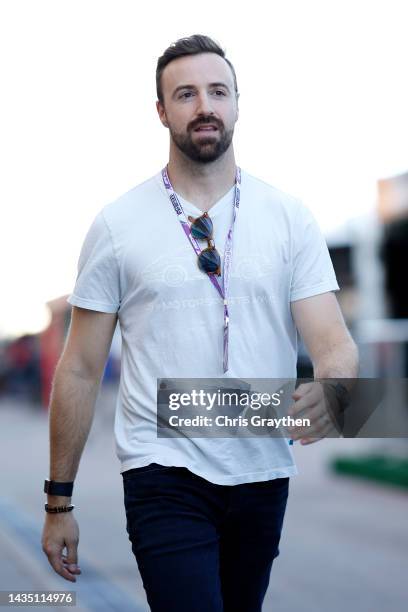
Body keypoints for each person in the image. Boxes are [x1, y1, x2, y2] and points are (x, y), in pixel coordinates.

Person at [41, 34, 359, 612]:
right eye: (185, 94)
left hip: (262, 472)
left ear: (237, 103)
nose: (204, 105)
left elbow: (334, 343)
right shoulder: (118, 224)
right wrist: (58, 502)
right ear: (162, 111)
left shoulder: (289, 217)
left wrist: (335, 391)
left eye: (217, 91)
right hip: (162, 471)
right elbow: (81, 369)